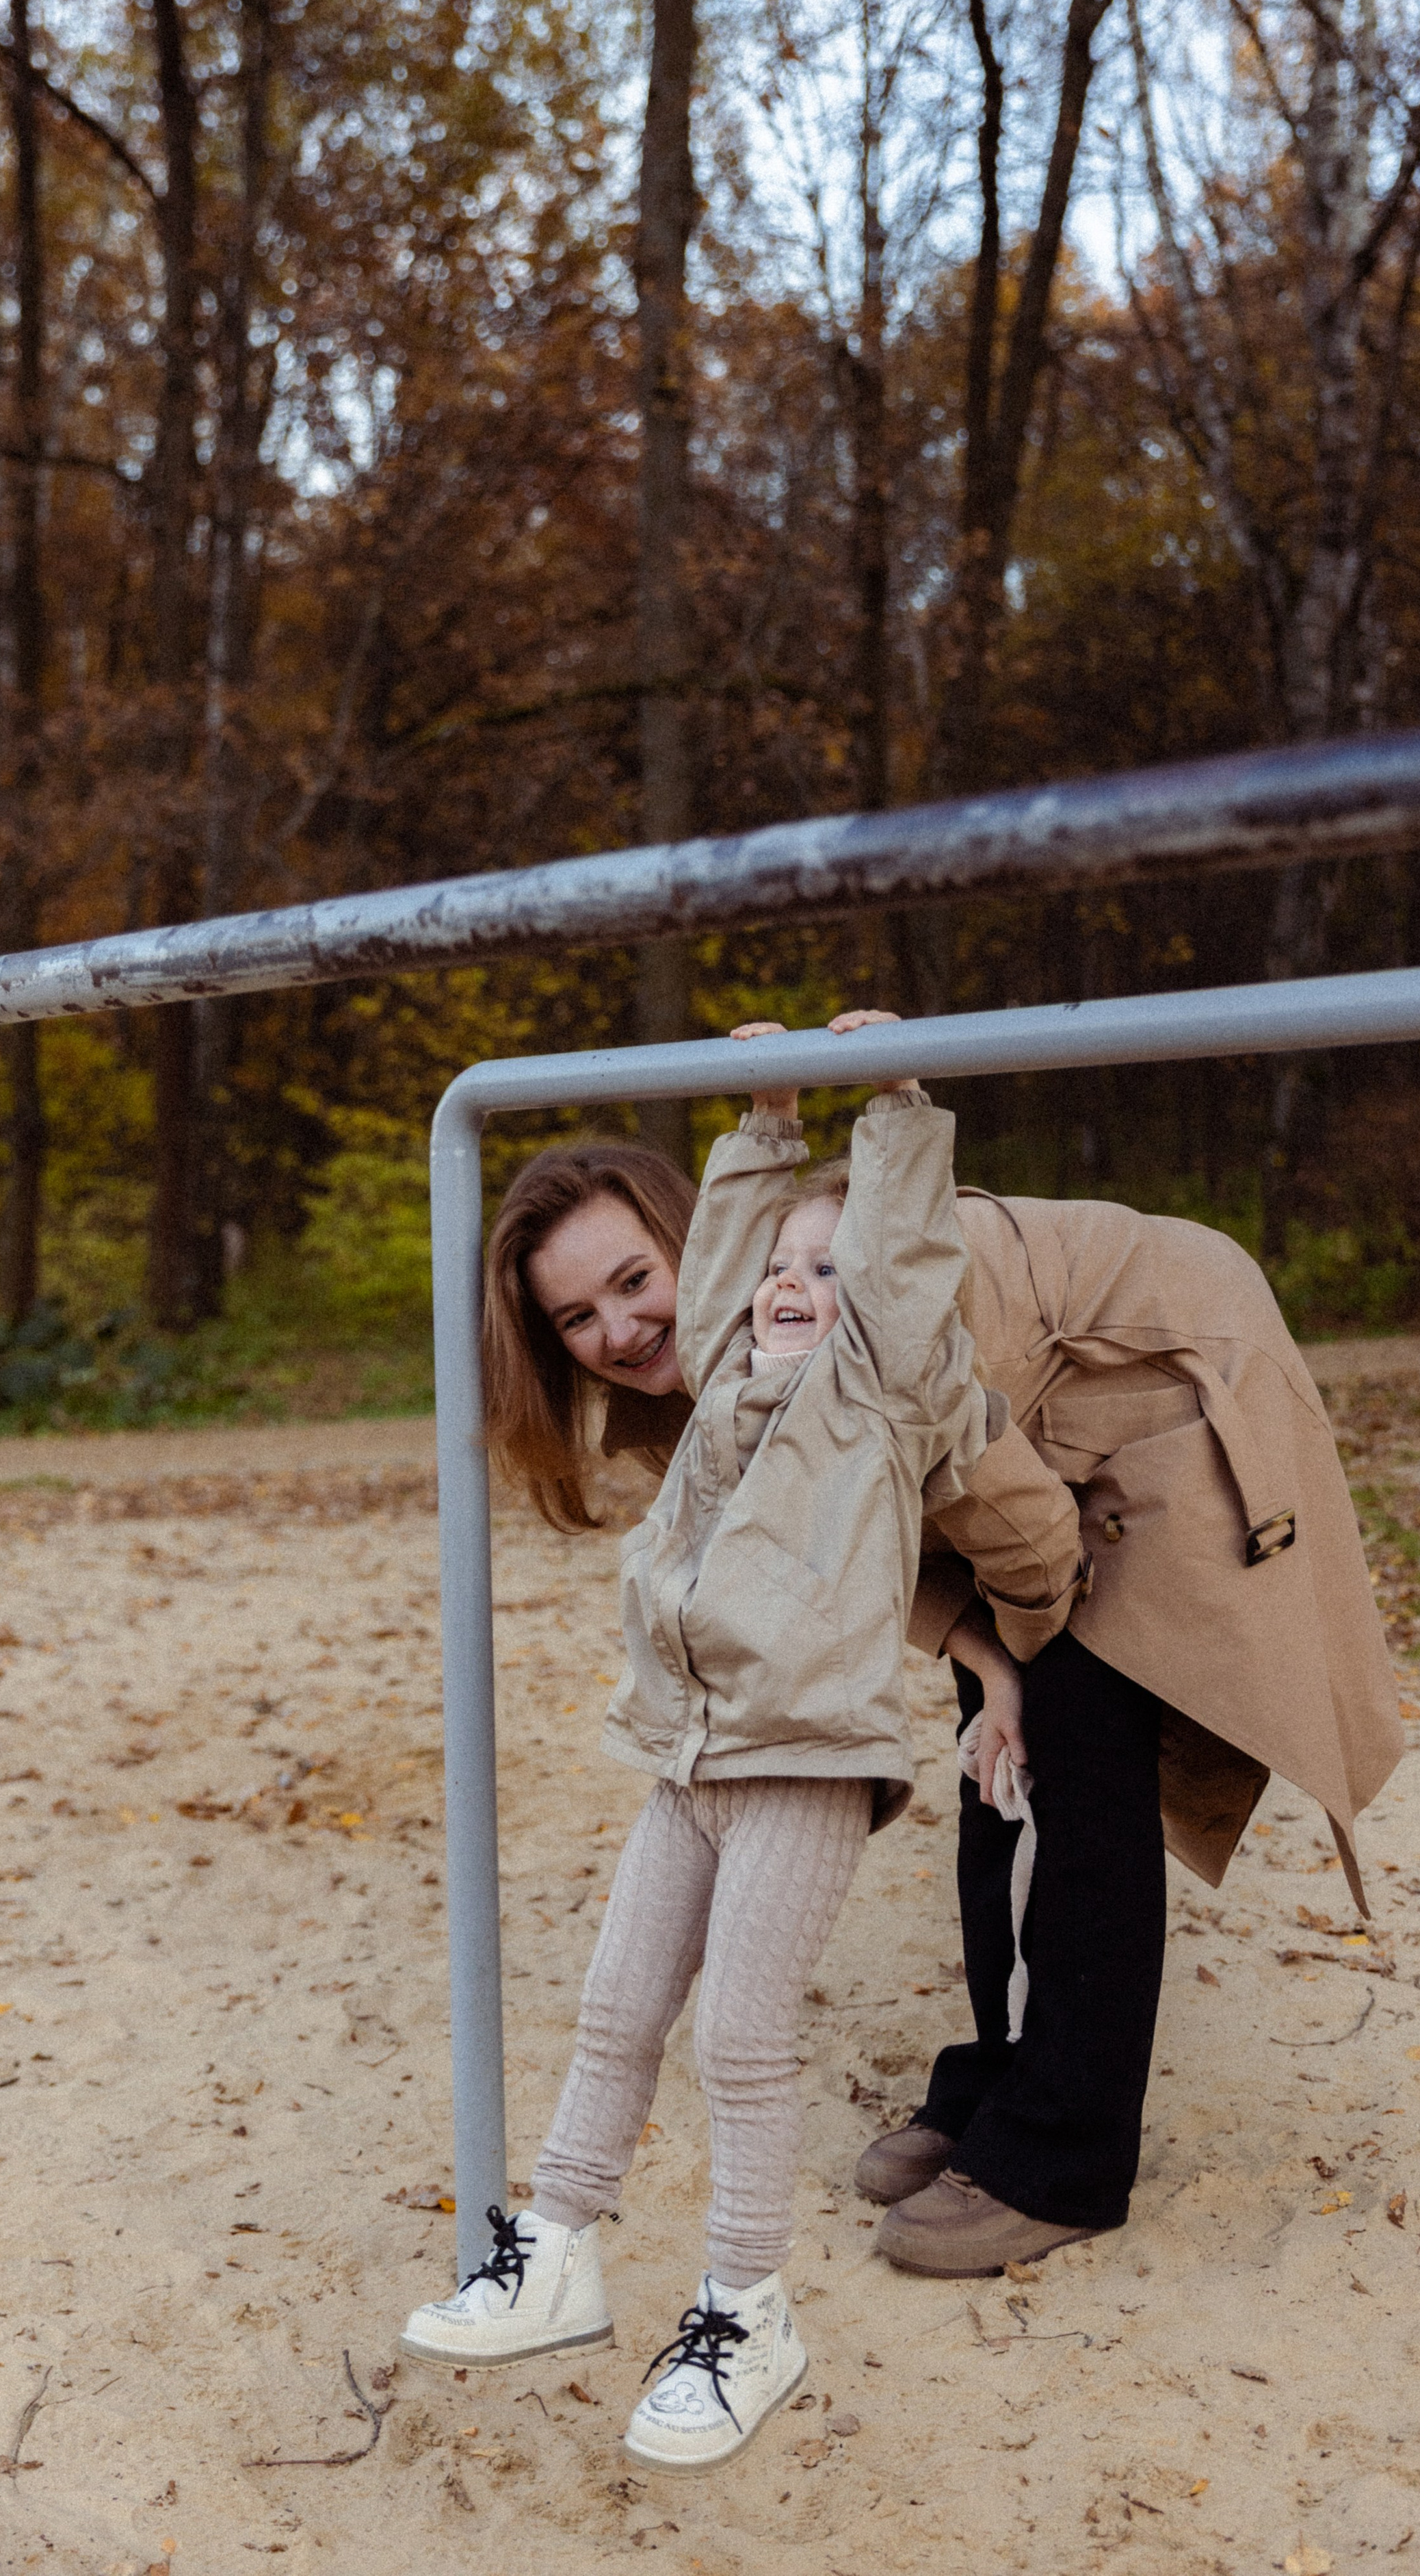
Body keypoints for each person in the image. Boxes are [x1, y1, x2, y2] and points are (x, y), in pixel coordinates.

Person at [463, 1009, 1400, 2282]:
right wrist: (987, 1666)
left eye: (636, 1282)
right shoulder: (731, 1370)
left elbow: (1015, 1532)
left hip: (1154, 1380)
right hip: (1003, 1466)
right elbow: (862, 1556)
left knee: (1077, 1734)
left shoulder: (873, 1321)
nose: (619, 1333)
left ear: (707, 1242)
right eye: (575, 1318)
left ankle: (1060, 2158)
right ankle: (995, 2085)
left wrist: (1016, 1660)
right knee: (994, 1751)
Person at [402, 1054, 1020, 2468]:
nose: (792, 1284)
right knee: (616, 2007)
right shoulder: (731, 1384)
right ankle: (554, 2249)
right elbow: (728, 1264)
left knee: (740, 2037)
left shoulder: (880, 1391)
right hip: (689, 1756)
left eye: (827, 1265)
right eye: (774, 1270)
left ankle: (746, 2310)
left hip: (802, 1762)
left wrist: (889, 1114)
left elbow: (903, 1268)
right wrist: (761, 1126)